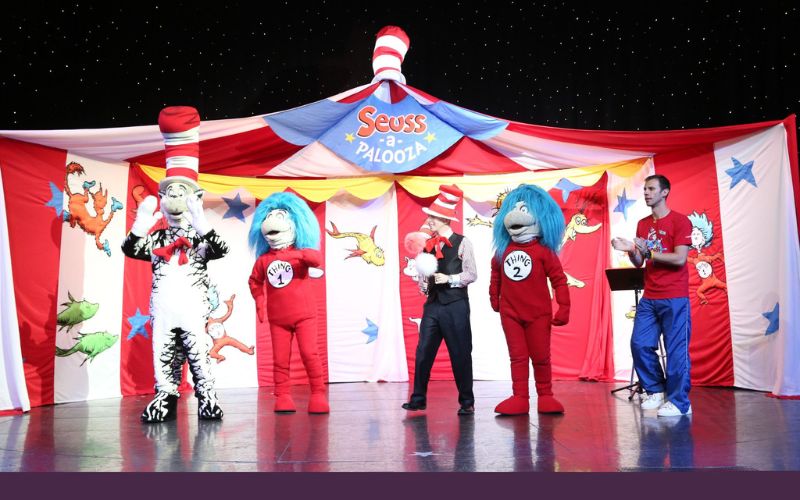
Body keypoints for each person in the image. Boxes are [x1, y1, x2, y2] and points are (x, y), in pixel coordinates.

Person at [611, 174, 693, 417]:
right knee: (639, 343)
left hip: (675, 297)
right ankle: (655, 389)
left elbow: (679, 259)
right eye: (645, 189)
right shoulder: (643, 224)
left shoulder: (680, 221)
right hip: (650, 296)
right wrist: (631, 251)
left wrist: (648, 253)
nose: (646, 193)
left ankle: (680, 403)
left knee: (676, 350)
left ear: (664, 192)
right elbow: (639, 262)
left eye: (651, 189)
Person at [402, 184, 477, 415]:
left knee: (460, 353)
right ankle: (418, 399)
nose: (429, 221)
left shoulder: (463, 243)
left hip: (455, 306)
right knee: (424, 351)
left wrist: (450, 278)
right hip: (433, 306)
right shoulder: (427, 246)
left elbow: (472, 274)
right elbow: (424, 282)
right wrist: (423, 280)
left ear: (444, 219)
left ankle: (466, 402)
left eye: (433, 217)